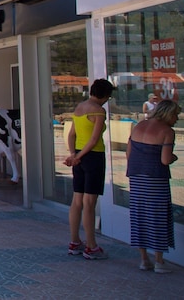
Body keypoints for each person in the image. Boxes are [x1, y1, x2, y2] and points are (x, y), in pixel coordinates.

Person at [128, 99, 180, 274]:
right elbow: (165, 159)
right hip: (155, 178)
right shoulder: (167, 131)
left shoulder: (139, 125)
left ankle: (144, 260)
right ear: (168, 114)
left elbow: (129, 153)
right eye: (176, 115)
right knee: (157, 216)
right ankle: (159, 261)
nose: (177, 118)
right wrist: (174, 157)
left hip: (136, 176)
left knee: (139, 215)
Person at [64, 78, 114, 260]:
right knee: (89, 203)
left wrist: (74, 154)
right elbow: (94, 140)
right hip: (93, 157)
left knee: (77, 200)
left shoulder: (79, 108)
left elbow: (71, 135)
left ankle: (75, 241)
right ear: (106, 95)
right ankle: (91, 246)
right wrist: (79, 156)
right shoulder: (99, 111)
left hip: (79, 155)